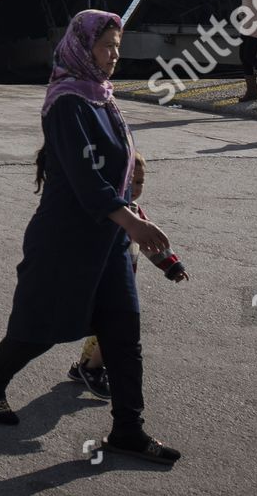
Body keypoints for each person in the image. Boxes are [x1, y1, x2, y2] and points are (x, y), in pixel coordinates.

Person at [0, 10, 181, 465]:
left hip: (110, 241)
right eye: (106, 47)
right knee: (41, 328)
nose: (115, 56)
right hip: (66, 238)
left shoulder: (104, 97)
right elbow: (85, 178)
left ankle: (128, 431)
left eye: (118, 47)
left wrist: (134, 195)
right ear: (81, 48)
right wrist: (134, 224)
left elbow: (116, 168)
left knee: (123, 332)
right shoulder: (67, 102)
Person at [67, 150, 188, 399]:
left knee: (108, 327)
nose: (135, 187)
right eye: (130, 181)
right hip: (98, 281)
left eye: (140, 182)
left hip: (121, 282)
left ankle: (87, 367)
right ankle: (91, 368)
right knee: (115, 329)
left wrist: (171, 265)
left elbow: (151, 244)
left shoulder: (134, 212)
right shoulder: (101, 210)